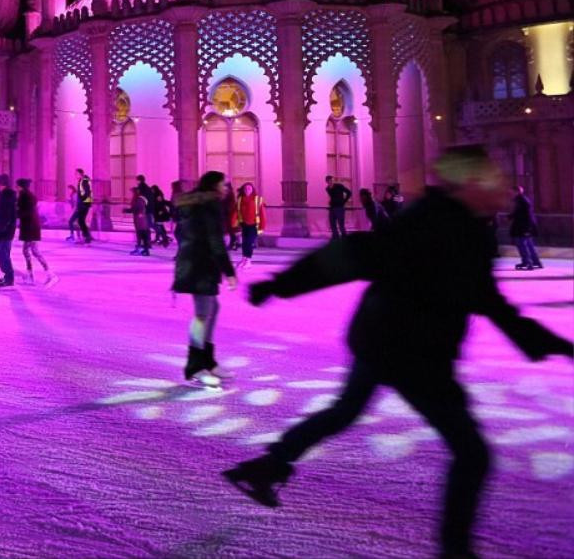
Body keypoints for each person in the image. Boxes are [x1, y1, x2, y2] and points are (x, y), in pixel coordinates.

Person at [229, 145, 574, 559]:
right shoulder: (435, 223)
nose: (501, 189)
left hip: (386, 338)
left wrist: (548, 342)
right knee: (472, 453)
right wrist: (280, 285)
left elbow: (486, 299)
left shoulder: (463, 227)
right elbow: (356, 254)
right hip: (410, 349)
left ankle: (267, 467)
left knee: (345, 411)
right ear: (470, 184)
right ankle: (455, 550)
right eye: (492, 180)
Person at [173, 171, 237, 387]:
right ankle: (195, 365)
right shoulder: (208, 207)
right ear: (213, 187)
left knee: (212, 309)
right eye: (224, 184)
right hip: (199, 266)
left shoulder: (197, 205)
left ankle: (207, 360)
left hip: (198, 264)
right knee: (202, 314)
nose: (227, 188)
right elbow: (215, 241)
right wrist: (229, 272)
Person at [16, 179, 53, 286]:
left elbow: (23, 212)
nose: (16, 188)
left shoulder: (24, 196)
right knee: (28, 251)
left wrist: (15, 214)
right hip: (31, 226)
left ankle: (48, 274)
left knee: (32, 251)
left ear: (21, 187)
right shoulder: (29, 196)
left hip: (30, 227)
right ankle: (32, 275)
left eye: (17, 186)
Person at [232, 182, 266, 269]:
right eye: (246, 188)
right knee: (244, 243)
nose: (247, 190)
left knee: (249, 243)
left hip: (254, 225)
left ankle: (248, 261)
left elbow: (262, 214)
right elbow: (236, 211)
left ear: (252, 189)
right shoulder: (240, 199)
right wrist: (233, 223)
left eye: (249, 188)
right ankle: (244, 259)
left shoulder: (257, 199)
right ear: (243, 190)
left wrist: (262, 227)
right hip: (244, 225)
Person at [508, 185, 542, 270]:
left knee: (522, 244)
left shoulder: (520, 201)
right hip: (527, 226)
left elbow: (520, 214)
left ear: (516, 192)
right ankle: (536, 262)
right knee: (529, 245)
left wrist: (510, 216)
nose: (510, 194)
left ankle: (527, 262)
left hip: (523, 226)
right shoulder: (523, 200)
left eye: (511, 192)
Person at [0, 174, 18, 288]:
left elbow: (9, 214)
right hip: (1, 228)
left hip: (5, 229)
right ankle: (7, 275)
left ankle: (9, 277)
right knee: (1, 252)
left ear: (0, 182)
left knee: (3, 252)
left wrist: (3, 228)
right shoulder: (0, 193)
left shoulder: (7, 195)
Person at [325, 174, 352, 238]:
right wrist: (331, 202)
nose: (331, 181)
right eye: (329, 180)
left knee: (341, 224)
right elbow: (332, 197)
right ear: (327, 181)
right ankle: (335, 237)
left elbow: (349, 192)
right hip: (332, 207)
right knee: (332, 223)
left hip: (339, 207)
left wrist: (343, 201)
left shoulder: (339, 186)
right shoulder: (327, 189)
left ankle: (344, 238)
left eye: (332, 180)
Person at [128, 186, 152, 257]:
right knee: (141, 235)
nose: (132, 194)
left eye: (133, 192)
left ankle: (141, 249)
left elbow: (139, 208)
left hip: (140, 220)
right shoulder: (139, 199)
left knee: (141, 235)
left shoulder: (139, 199)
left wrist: (128, 210)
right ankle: (144, 250)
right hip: (140, 220)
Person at [73, 168, 93, 244]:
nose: (75, 175)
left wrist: (82, 201)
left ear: (80, 173)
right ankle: (85, 237)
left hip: (84, 204)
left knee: (81, 221)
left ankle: (86, 237)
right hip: (83, 203)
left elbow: (87, 192)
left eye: (76, 174)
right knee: (81, 221)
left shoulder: (84, 181)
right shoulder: (82, 181)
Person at [222, 182, 239, 251]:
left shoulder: (229, 194)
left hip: (229, 215)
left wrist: (226, 209)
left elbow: (231, 205)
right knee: (229, 231)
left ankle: (233, 244)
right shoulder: (223, 193)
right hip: (225, 214)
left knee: (230, 230)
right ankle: (232, 244)